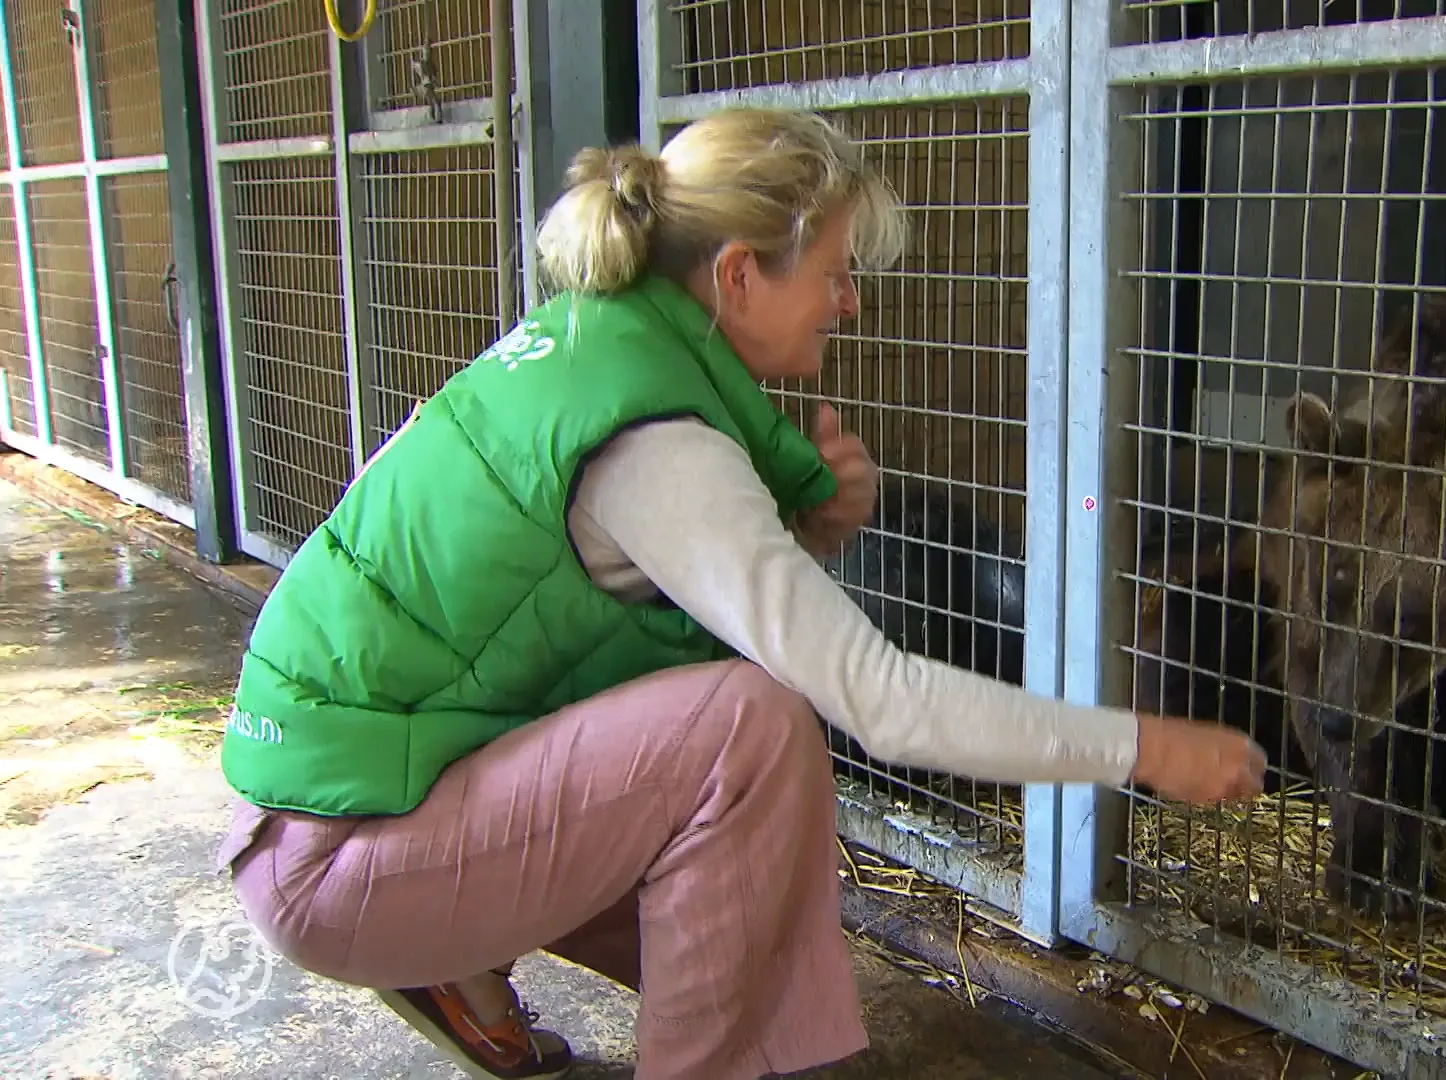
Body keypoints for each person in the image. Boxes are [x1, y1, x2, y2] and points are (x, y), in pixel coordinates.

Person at [212, 106, 1267, 1080]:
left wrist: (808, 530)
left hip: (343, 806)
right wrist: (1141, 749)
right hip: (340, 862)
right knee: (750, 731)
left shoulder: (590, 352)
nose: (850, 302)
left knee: (734, 735)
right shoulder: (657, 444)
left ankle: (471, 964)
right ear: (737, 276)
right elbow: (881, 701)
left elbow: (617, 627)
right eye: (835, 273)